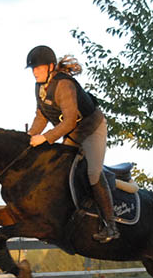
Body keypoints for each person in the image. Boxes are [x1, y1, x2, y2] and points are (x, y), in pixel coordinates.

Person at [25, 45, 120, 243]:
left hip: (92, 128)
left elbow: (68, 121)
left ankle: (110, 225)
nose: (35, 72)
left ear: (51, 67)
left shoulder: (64, 85)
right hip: (74, 132)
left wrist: (45, 138)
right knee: (61, 169)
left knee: (93, 172)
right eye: (33, 69)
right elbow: (41, 116)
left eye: (39, 68)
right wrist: (30, 135)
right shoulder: (40, 87)